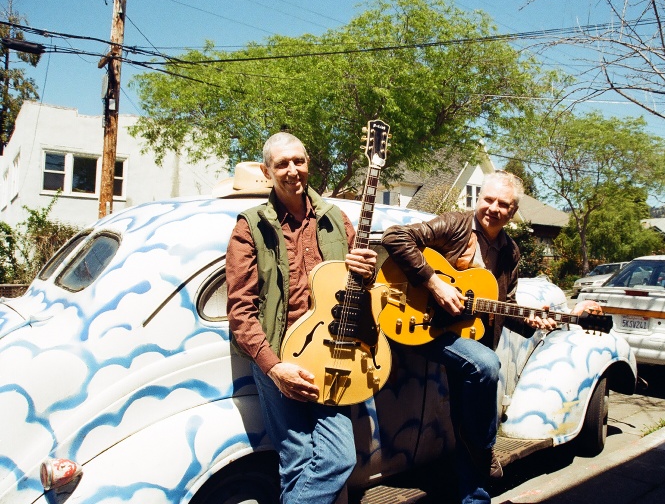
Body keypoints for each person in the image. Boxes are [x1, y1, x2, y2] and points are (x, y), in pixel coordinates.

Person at [381, 170, 593, 504]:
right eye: (488, 199)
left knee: (467, 419)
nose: (493, 208)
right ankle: (486, 449)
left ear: (512, 212)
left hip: (466, 334)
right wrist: (434, 284)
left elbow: (504, 307)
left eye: (503, 204)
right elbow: (394, 237)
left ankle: (475, 497)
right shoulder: (455, 224)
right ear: (479, 199)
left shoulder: (510, 253)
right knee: (486, 365)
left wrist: (534, 322)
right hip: (420, 322)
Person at [225, 132, 378, 504]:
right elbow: (240, 310)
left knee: (339, 458)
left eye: (299, 161)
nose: (292, 171)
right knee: (295, 459)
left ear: (308, 162)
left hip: (330, 352)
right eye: (282, 164)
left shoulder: (337, 218)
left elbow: (358, 287)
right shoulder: (250, 226)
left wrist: (368, 271)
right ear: (267, 171)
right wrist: (275, 369)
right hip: (276, 354)